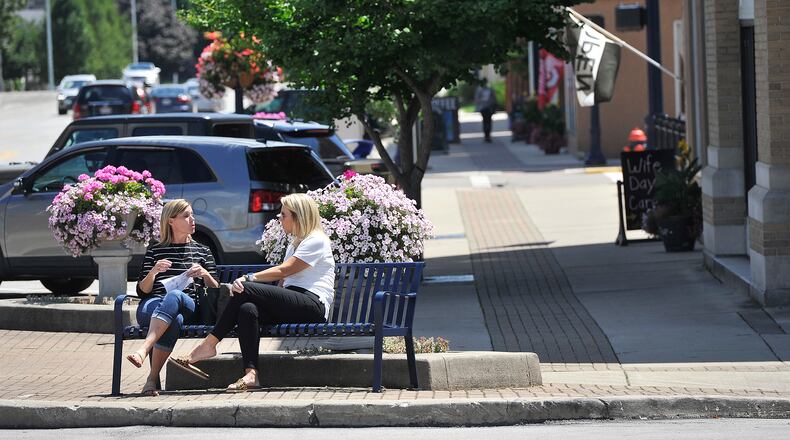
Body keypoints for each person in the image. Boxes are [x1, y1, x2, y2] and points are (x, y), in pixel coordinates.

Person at [170, 193, 335, 392]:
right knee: (247, 309)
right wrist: (263, 298)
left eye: (284, 215)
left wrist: (250, 279)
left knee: (245, 288)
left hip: (312, 305)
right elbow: (283, 283)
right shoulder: (295, 243)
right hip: (294, 303)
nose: (280, 218)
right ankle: (251, 374)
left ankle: (209, 344)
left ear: (298, 216)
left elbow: (285, 270)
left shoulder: (316, 240)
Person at [125, 199, 219, 396]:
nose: (192, 219)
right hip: (154, 303)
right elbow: (142, 291)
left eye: (192, 215)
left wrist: (204, 273)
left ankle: (143, 349)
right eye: (186, 216)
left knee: (175, 296)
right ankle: (152, 381)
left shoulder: (202, 251)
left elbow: (216, 288)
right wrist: (153, 272)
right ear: (171, 221)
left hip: (189, 305)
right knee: (173, 320)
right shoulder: (155, 250)